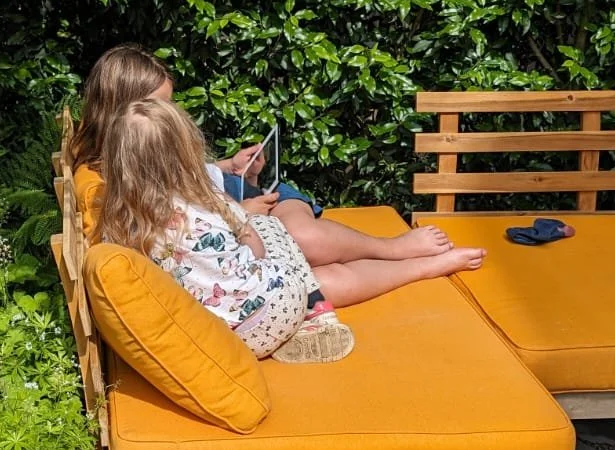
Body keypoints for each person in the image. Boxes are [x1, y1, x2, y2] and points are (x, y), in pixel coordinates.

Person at [97, 100, 485, 363]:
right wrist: (250, 229)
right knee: (277, 232)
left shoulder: (119, 224)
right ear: (184, 153)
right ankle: (411, 259)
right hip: (275, 309)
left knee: (321, 277)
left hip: (231, 338)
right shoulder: (206, 208)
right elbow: (258, 253)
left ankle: (419, 265)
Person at [72, 44, 453, 267]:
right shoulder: (109, 171)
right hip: (233, 205)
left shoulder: (129, 149)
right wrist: (238, 216)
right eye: (162, 106)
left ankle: (391, 249)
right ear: (123, 109)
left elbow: (181, 180)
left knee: (303, 235)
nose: (172, 116)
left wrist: (229, 168)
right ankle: (379, 256)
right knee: (306, 252)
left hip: (237, 195)